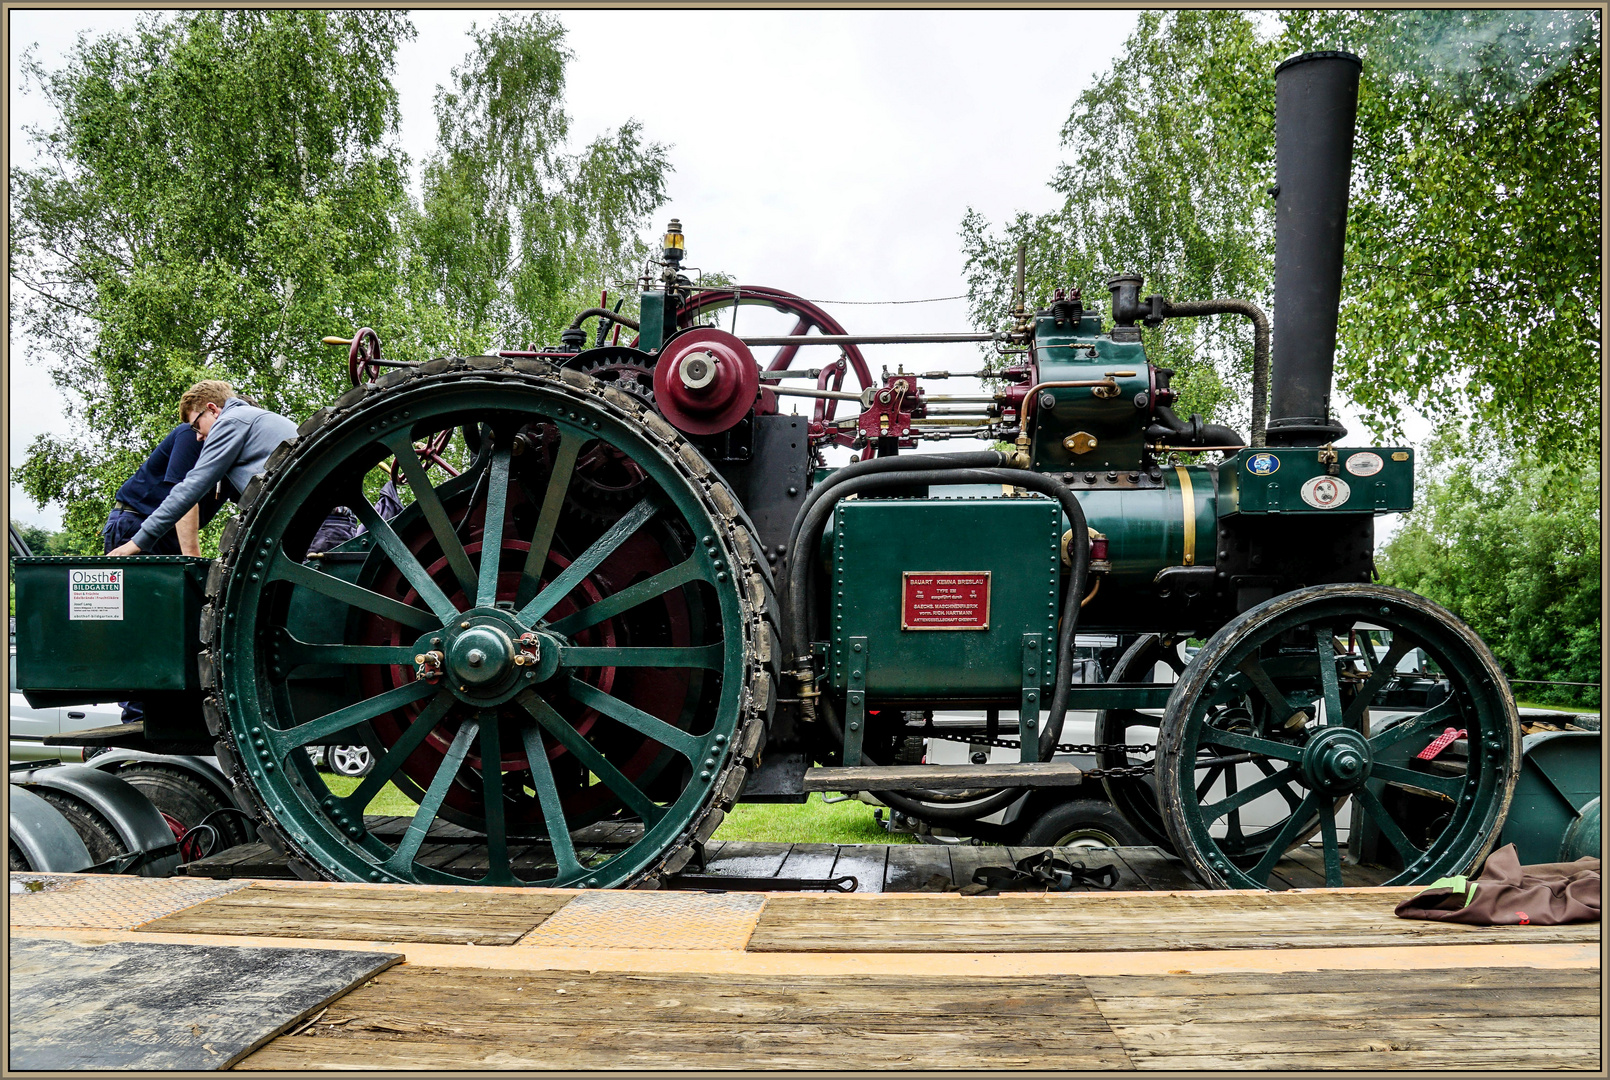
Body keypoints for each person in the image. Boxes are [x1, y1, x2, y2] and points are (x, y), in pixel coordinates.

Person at [106, 380, 298, 557]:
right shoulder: (255, 421)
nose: (197, 436)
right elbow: (187, 493)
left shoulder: (230, 422)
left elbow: (191, 490)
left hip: (159, 529)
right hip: (135, 520)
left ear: (213, 410)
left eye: (197, 426)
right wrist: (136, 543)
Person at [101, 423, 222, 557]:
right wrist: (193, 559)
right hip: (137, 520)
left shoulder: (236, 454)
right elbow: (184, 496)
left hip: (173, 531)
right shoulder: (194, 433)